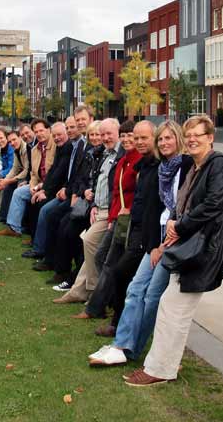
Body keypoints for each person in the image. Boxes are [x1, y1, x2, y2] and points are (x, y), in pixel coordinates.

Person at [124, 114, 223, 386]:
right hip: (189, 245)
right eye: (189, 136)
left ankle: (160, 369)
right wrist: (176, 221)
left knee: (173, 307)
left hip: (205, 249)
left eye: (198, 135)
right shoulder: (196, 168)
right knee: (170, 306)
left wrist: (181, 224)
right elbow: (181, 202)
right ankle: (161, 366)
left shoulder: (219, 164)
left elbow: (214, 204)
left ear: (210, 138)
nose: (192, 140)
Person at [88, 119, 192, 366]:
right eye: (162, 139)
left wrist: (160, 245)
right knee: (137, 290)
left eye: (168, 138)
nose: (164, 143)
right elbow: (153, 209)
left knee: (150, 295)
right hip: (154, 239)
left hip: (171, 242)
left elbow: (179, 210)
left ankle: (129, 346)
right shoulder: (158, 167)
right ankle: (123, 345)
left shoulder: (184, 166)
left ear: (178, 139)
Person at [74, 119, 140, 326]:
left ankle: (99, 305)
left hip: (129, 219)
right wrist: (112, 217)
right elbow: (115, 192)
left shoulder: (137, 160)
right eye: (126, 136)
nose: (127, 139)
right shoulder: (123, 160)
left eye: (133, 136)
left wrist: (119, 215)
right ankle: (104, 301)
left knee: (109, 260)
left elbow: (136, 194)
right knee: (105, 257)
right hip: (117, 217)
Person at [53, 118, 121, 303]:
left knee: (88, 241)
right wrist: (92, 204)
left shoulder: (117, 154)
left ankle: (93, 291)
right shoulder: (104, 154)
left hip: (111, 212)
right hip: (96, 208)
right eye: (100, 134)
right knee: (71, 230)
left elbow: (116, 189)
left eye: (107, 134)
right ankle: (78, 289)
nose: (103, 138)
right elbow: (91, 181)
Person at [25, 117, 83, 262]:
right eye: (55, 135)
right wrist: (41, 189)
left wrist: (46, 191)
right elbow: (52, 171)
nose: (57, 138)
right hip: (59, 189)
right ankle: (38, 245)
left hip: (65, 191)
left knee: (46, 211)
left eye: (60, 134)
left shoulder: (70, 147)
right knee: (35, 203)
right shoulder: (63, 147)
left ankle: (42, 250)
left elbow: (61, 173)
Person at [0, 119, 55, 238]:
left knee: (17, 191)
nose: (26, 136)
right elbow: (23, 169)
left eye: (28, 133)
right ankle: (12, 224)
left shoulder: (37, 146)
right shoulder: (30, 148)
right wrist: (5, 180)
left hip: (45, 184)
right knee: (14, 190)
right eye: (23, 135)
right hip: (35, 182)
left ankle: (18, 228)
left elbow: (30, 170)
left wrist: (29, 183)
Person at [0, 130, 29, 224]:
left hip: (27, 177)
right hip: (23, 175)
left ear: (20, 137)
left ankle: (14, 219)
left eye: (14, 140)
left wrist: (9, 180)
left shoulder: (25, 149)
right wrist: (5, 181)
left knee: (15, 188)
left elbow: (26, 170)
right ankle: (3, 215)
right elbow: (14, 168)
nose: (12, 143)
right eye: (10, 141)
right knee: (5, 186)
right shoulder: (15, 150)